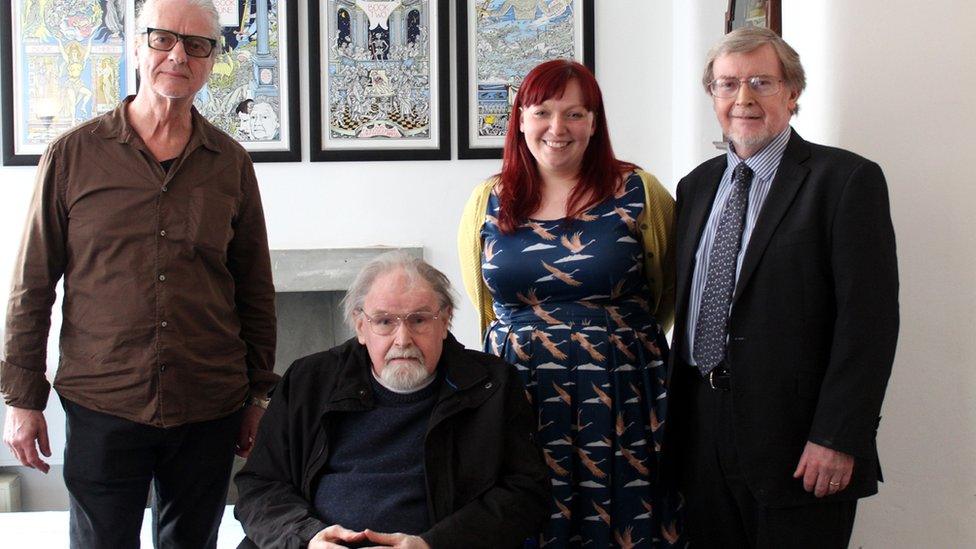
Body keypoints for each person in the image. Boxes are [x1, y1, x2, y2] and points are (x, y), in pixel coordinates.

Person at [0, 1, 277, 547]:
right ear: (135, 46)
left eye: (196, 44)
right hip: (105, 400)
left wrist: (259, 396)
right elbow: (31, 286)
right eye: (163, 39)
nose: (178, 54)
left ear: (212, 60)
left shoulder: (231, 163)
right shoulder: (72, 156)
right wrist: (21, 398)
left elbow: (255, 290)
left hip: (209, 401)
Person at [665, 26, 899, 548]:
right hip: (701, 434)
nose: (742, 98)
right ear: (713, 96)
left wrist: (838, 436)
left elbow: (870, 324)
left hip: (801, 443)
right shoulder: (695, 187)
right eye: (727, 85)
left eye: (760, 83)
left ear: (792, 94)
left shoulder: (844, 181)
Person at [458, 60, 681, 547]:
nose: (557, 128)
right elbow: (485, 306)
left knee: (627, 522)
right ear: (519, 119)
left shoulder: (641, 192)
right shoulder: (487, 200)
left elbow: (667, 293)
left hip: (623, 391)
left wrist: (610, 340)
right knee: (527, 516)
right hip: (521, 392)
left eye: (575, 113)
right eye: (542, 112)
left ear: (595, 122)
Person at [234, 252, 550, 549]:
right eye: (385, 322)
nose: (403, 339)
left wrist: (434, 544)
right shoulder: (309, 380)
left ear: (445, 321)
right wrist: (308, 538)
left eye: (419, 320)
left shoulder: (491, 385)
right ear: (360, 326)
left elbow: (526, 495)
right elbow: (260, 484)